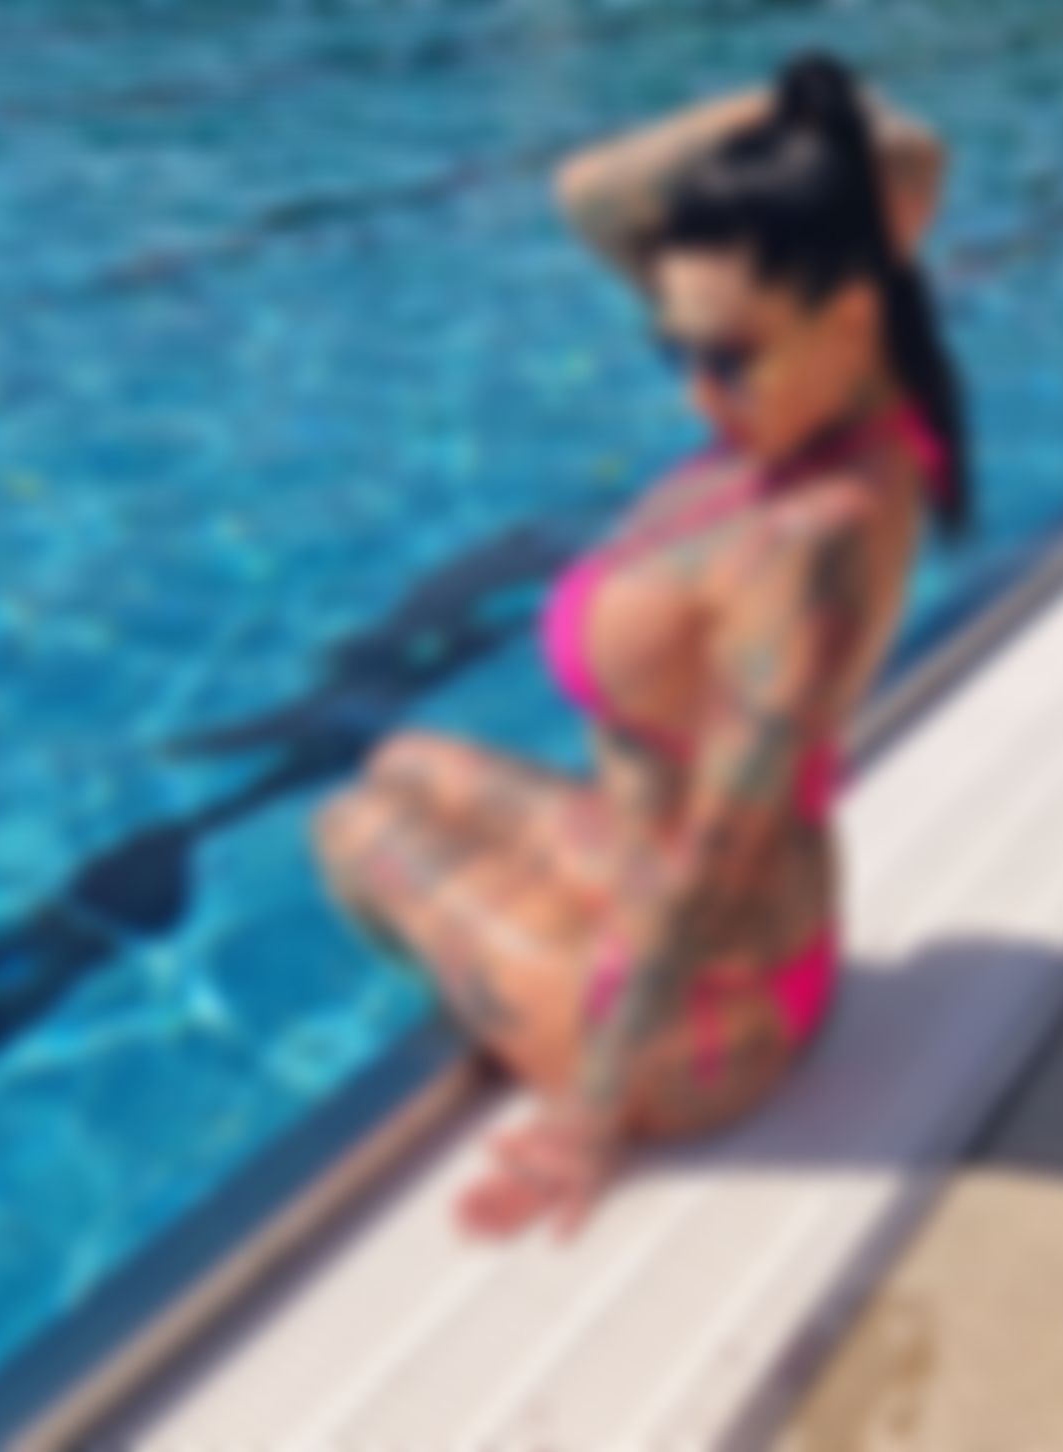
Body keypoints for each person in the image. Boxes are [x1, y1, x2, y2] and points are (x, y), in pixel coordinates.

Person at [310, 49, 970, 1242]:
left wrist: (591, 1114)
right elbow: (590, 194)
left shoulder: (815, 539)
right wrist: (803, 124)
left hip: (707, 1023)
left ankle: (524, 1037)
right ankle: (521, 987)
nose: (696, 397)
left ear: (850, 317)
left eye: (727, 359)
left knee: (349, 831)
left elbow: (714, 870)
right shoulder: (837, 394)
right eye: (676, 354)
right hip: (696, 904)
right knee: (402, 759)